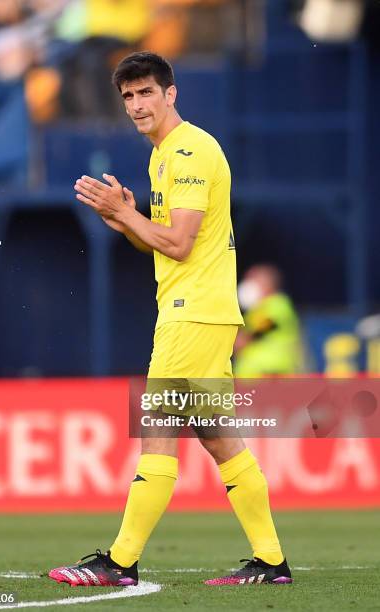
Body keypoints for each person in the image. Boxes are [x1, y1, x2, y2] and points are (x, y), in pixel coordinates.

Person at [48, 51, 292, 587]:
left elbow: (178, 244)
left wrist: (127, 214)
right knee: (220, 438)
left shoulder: (188, 151)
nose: (137, 105)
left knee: (158, 429)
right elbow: (164, 243)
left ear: (171, 93)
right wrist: (125, 220)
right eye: (128, 97)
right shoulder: (164, 155)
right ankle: (272, 563)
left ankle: (121, 561)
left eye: (146, 93)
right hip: (198, 312)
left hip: (192, 315)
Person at [235, 264, 304, 376]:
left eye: (252, 280)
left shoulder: (278, 304)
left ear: (267, 284)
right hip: (252, 374)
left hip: (271, 371)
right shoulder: (256, 309)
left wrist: (244, 337)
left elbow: (264, 327)